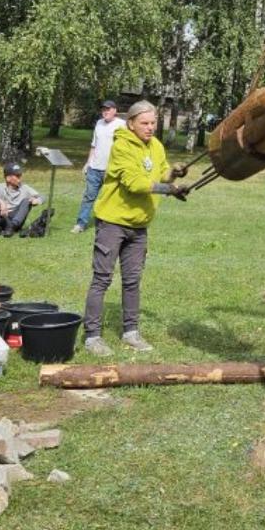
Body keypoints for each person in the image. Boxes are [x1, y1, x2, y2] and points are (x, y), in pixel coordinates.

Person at [82, 99, 189, 356]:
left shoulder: (156, 146)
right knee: (102, 279)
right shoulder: (121, 146)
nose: (150, 127)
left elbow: (161, 173)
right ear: (131, 124)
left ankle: (131, 332)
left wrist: (174, 174)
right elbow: (134, 183)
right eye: (145, 123)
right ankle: (92, 336)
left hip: (139, 225)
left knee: (132, 280)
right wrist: (169, 190)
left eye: (153, 123)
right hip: (112, 223)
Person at [71, 99, 126, 233]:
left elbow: (125, 148)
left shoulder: (122, 125)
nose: (105, 112)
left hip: (111, 170)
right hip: (95, 168)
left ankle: (110, 224)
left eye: (108, 109)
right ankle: (81, 223)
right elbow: (94, 145)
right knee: (89, 196)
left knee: (110, 198)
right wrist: (88, 163)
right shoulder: (99, 124)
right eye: (103, 109)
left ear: (115, 110)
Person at [0, 162, 44, 237]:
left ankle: (12, 227)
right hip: (0, 218)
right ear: (8, 178)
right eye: (17, 176)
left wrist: (37, 200)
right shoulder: (0, 187)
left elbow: (43, 196)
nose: (20, 178)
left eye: (20, 175)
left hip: (14, 219)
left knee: (26, 201)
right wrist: (1, 202)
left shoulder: (25, 188)